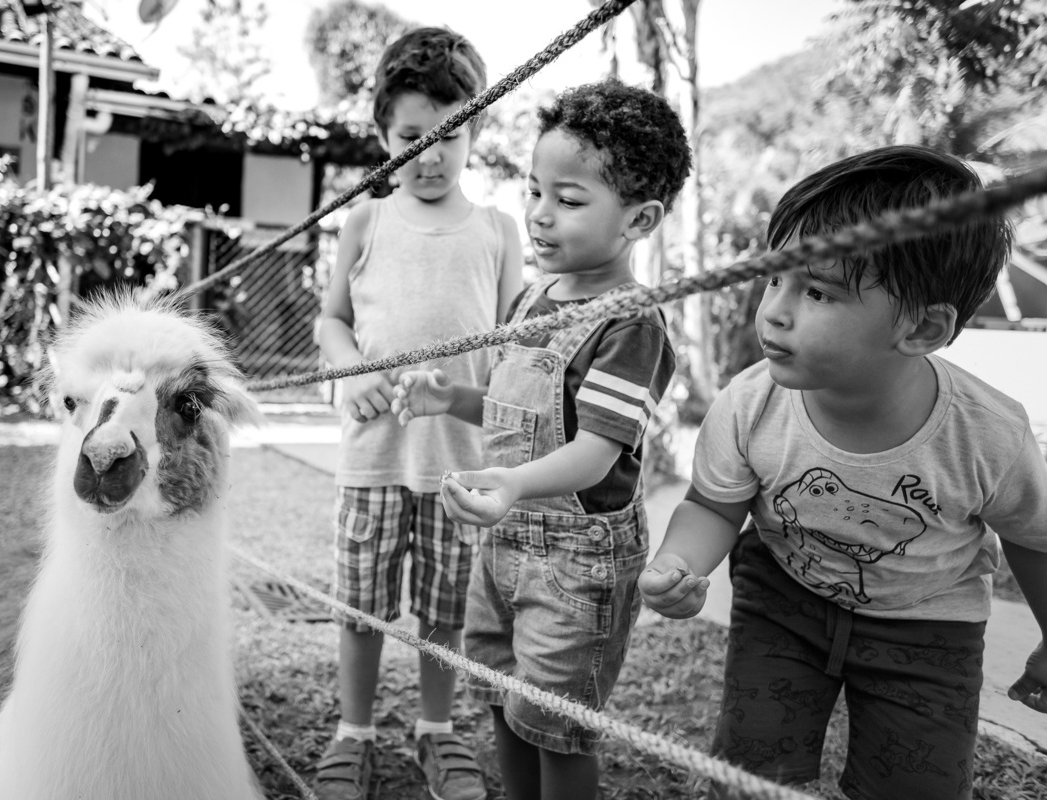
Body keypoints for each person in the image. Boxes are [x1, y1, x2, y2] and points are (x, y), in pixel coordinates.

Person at [637, 144, 1047, 800]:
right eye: (775, 278)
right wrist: (679, 561)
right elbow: (714, 506)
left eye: (817, 290)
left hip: (928, 629)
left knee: (917, 787)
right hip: (782, 603)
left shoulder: (988, 434)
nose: (773, 309)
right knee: (751, 773)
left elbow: (1033, 537)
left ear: (921, 328)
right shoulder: (750, 403)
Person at [392, 78, 692, 800]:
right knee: (502, 698)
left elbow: (595, 453)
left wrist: (515, 486)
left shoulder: (630, 326)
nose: (540, 216)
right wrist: (450, 398)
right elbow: (510, 411)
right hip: (502, 545)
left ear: (640, 219)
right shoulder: (535, 298)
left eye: (570, 199)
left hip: (576, 564)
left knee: (555, 727)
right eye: (534, 191)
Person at [312, 25, 524, 800]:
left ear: (474, 132)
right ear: (382, 134)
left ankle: (436, 730)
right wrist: (346, 370)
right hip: (372, 453)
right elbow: (331, 321)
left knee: (444, 613)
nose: (428, 156)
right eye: (410, 137)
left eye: (447, 137)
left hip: (460, 461)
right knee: (361, 609)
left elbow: (510, 345)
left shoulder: (500, 233)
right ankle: (354, 732)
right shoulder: (364, 222)